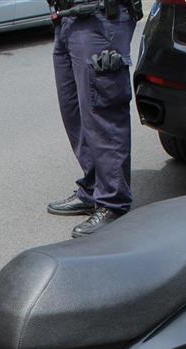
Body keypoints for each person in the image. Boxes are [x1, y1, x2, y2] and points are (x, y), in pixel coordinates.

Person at [47, 0, 141, 238]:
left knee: (103, 114)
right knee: (75, 114)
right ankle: (92, 188)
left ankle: (113, 202)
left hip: (101, 18)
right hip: (68, 18)